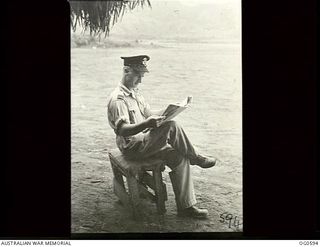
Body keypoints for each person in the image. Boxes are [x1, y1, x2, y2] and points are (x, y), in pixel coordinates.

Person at [107, 55, 219, 218]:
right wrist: (146, 124)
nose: (140, 80)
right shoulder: (118, 99)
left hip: (145, 141)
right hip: (132, 147)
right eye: (138, 75)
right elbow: (122, 129)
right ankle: (196, 157)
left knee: (180, 157)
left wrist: (172, 109)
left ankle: (186, 207)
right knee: (172, 126)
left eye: (142, 76)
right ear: (126, 70)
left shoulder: (135, 93)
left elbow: (149, 114)